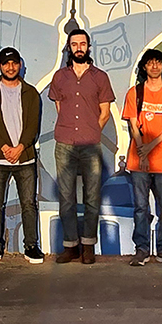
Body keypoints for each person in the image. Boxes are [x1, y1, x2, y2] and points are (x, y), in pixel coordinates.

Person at [48, 29, 115, 264]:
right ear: (69, 47)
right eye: (74, 44)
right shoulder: (59, 77)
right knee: (66, 197)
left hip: (90, 145)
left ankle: (88, 245)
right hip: (64, 144)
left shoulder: (100, 77)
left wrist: (90, 129)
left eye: (82, 44)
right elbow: (59, 106)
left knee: (92, 196)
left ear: (88, 47)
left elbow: (105, 112)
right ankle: (70, 246)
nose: (78, 47)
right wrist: (71, 128)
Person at [0, 47, 44, 265]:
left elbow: (33, 124)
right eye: (6, 63)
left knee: (28, 204)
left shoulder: (31, 92)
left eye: (14, 63)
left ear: (20, 65)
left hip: (25, 158)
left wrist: (20, 147)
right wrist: (5, 147)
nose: (10, 67)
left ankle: (31, 246)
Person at [122, 48, 162, 266]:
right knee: (141, 208)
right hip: (139, 161)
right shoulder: (134, 93)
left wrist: (150, 147)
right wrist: (141, 150)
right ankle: (141, 249)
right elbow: (133, 124)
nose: (155, 66)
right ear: (144, 67)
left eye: (159, 62)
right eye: (150, 63)